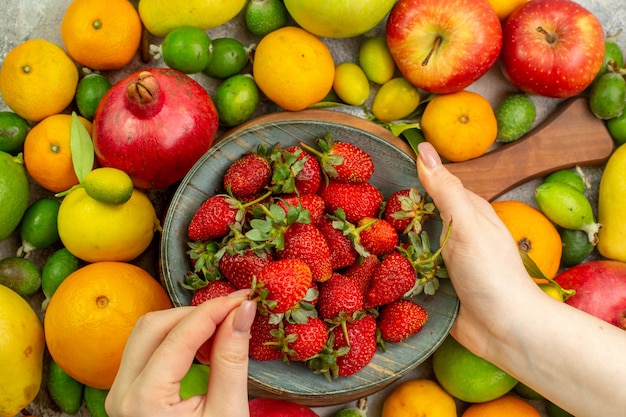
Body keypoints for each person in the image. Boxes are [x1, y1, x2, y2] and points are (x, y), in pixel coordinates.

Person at [105, 142, 626, 417]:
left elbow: (334, 282)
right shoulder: (315, 266)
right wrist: (514, 323)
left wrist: (513, 322)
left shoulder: (343, 282)